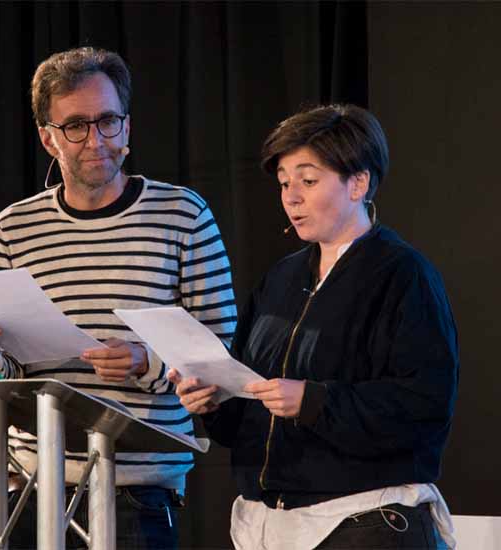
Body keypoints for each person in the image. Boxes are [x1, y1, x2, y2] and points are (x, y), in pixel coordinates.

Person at [0, 47, 236, 549]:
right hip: (31, 488)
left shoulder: (184, 214)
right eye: (76, 126)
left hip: (138, 491)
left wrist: (144, 362)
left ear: (126, 127)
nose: (95, 140)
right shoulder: (14, 227)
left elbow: (221, 353)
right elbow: (7, 376)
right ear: (48, 138)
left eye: (107, 121)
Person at [169, 104, 459, 549]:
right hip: (272, 522)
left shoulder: (403, 274)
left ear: (358, 182)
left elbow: (425, 404)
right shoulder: (280, 279)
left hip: (364, 522)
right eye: (284, 183)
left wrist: (315, 400)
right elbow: (249, 412)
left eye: (308, 180)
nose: (291, 197)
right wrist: (214, 400)